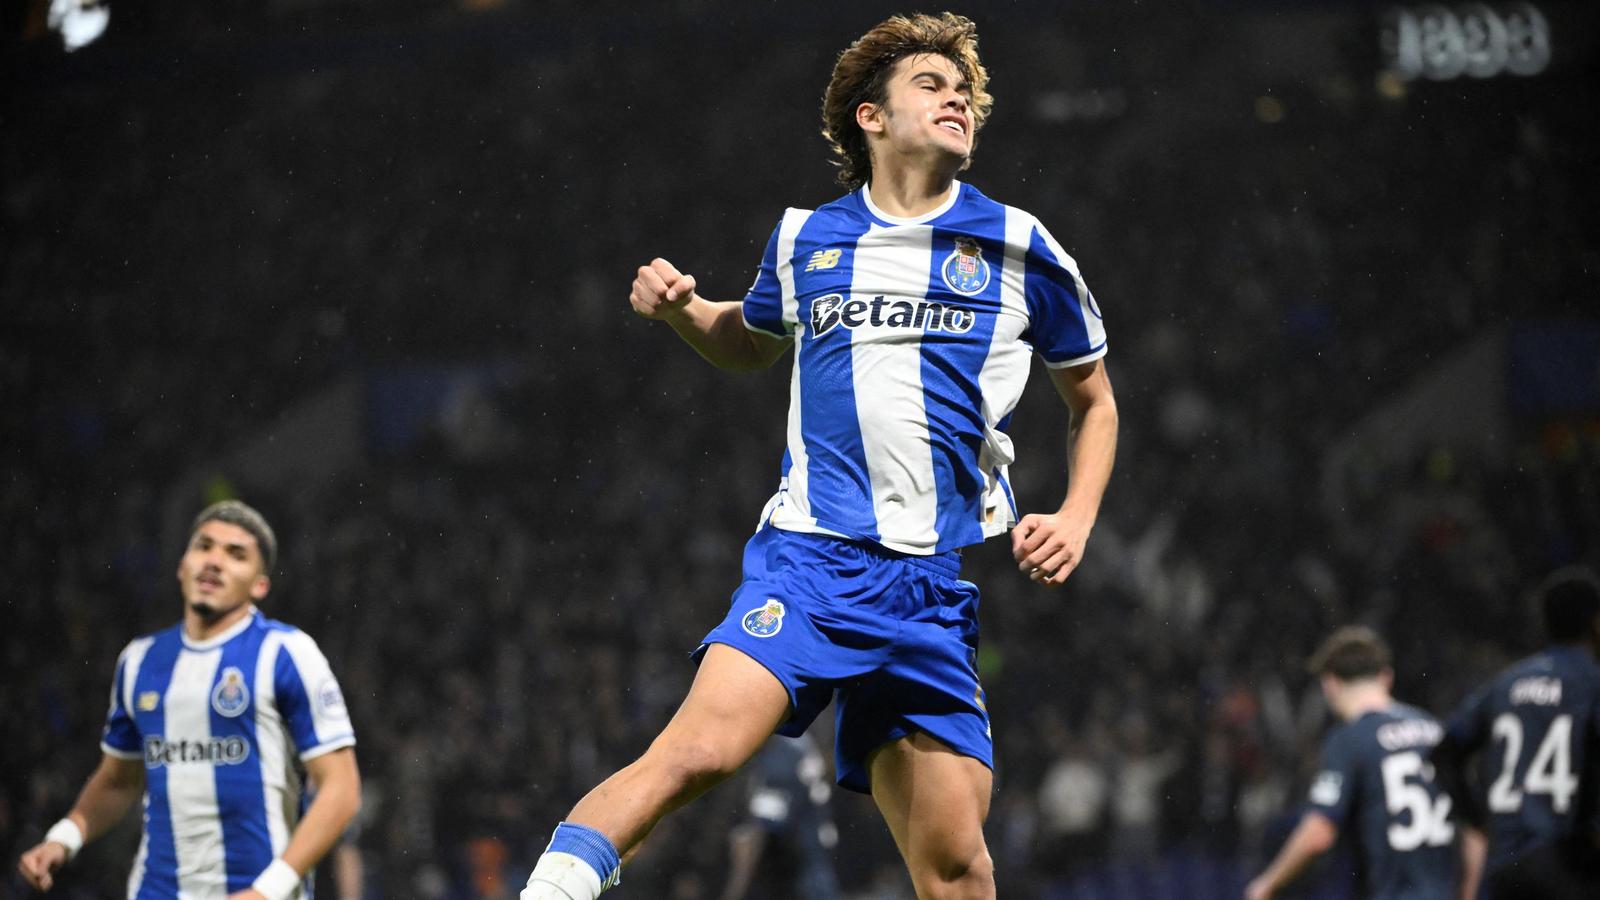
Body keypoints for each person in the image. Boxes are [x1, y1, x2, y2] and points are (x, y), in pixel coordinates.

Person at [521, 12, 1118, 899]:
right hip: (813, 561)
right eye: (930, 84)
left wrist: (1076, 516)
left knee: (959, 867)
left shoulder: (1023, 246)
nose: (956, 97)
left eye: (964, 92)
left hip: (932, 589)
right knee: (701, 753)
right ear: (871, 119)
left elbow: (1095, 401)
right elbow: (751, 339)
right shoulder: (806, 237)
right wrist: (686, 311)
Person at [16, 500, 362, 900]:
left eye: (236, 555)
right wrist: (63, 838)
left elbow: (341, 787)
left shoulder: (286, 653)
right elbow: (117, 781)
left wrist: (267, 891)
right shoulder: (139, 660)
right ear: (182, 566)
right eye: (204, 546)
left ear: (259, 585)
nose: (214, 561)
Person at [1245, 626, 1459, 900]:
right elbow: (1470, 823)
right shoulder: (1435, 730)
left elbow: (1319, 832)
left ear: (1329, 684)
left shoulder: (1350, 739)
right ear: (1386, 677)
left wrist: (1267, 884)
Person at [1430, 565, 1600, 899]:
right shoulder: (1591, 682)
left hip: (1504, 868)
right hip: (1568, 864)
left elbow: (1444, 753)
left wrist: (1478, 820)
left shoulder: (1507, 683)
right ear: (1595, 622)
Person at [716, 734, 842, 900]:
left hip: (798, 859)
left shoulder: (786, 755)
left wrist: (735, 889)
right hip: (809, 851)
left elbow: (761, 828)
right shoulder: (795, 743)